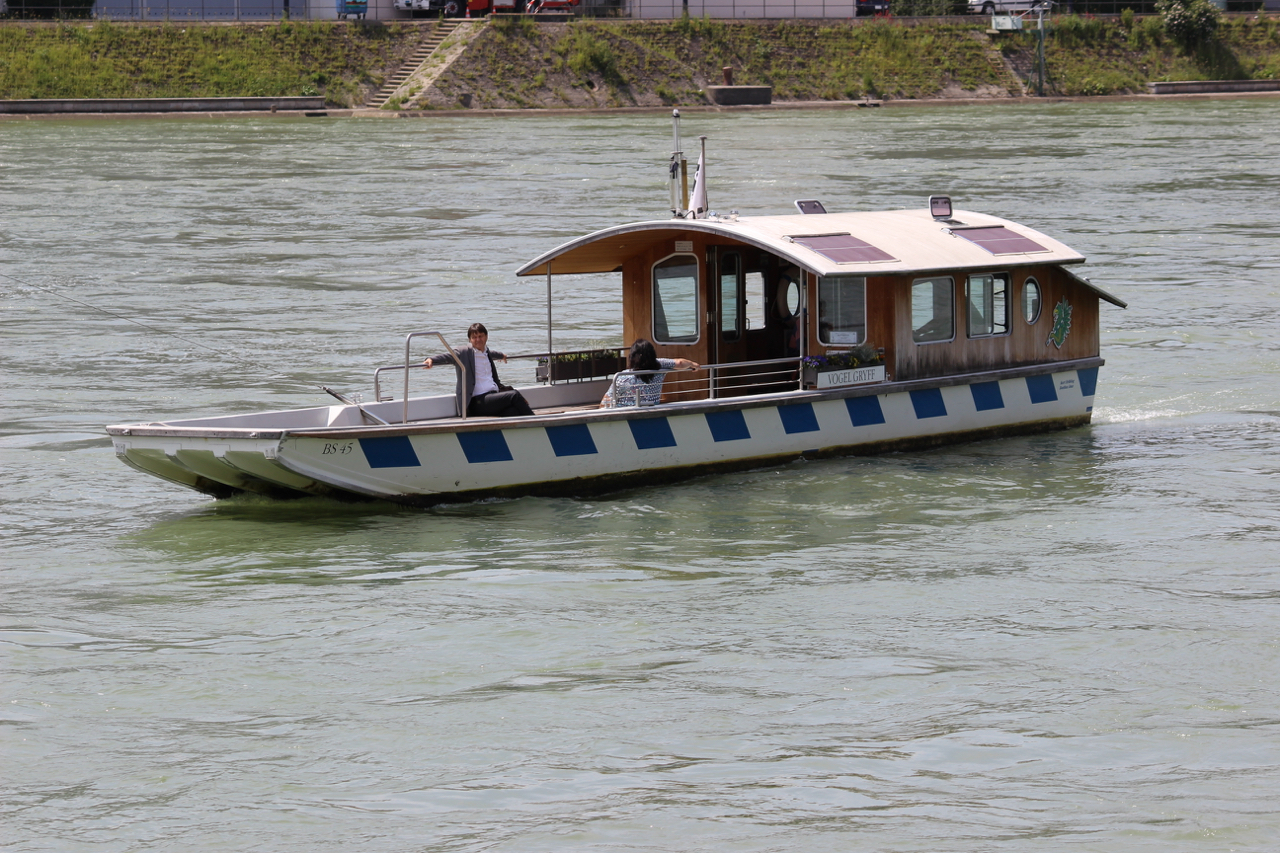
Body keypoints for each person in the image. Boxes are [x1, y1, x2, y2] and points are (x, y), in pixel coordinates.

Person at [424, 323, 534, 418]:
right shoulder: (463, 352)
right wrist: (431, 360)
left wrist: (501, 355)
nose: (478, 340)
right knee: (514, 395)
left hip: (493, 397)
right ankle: (538, 423)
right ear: (470, 339)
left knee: (513, 412)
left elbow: (492, 354)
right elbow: (448, 356)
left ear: (486, 337)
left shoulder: (486, 352)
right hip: (478, 401)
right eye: (474, 337)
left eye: (480, 336)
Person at [602, 339, 699, 408]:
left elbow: (606, 400)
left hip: (625, 414)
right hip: (651, 410)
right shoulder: (659, 367)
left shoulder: (622, 377)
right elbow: (680, 363)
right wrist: (693, 364)